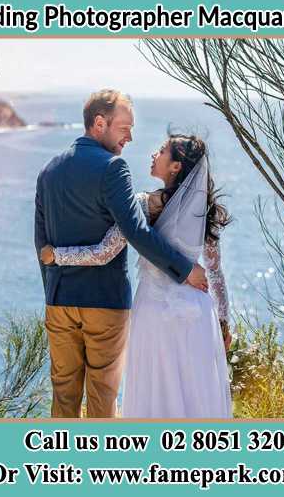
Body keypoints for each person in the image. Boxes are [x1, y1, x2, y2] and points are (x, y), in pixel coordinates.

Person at [34, 89, 208, 418]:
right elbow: (136, 232)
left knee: (63, 398)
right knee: (103, 398)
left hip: (59, 301)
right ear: (100, 123)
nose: (130, 137)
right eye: (124, 128)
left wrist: (53, 292)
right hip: (105, 303)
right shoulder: (114, 168)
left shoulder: (48, 171)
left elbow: (40, 244)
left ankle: (63, 467)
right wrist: (185, 269)